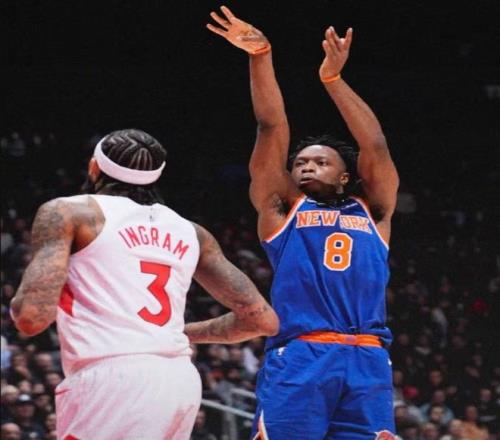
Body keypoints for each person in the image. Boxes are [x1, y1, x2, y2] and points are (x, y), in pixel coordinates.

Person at [10, 128, 279, 440]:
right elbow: (262, 320)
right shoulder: (191, 232)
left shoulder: (69, 212)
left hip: (111, 378)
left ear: (94, 167)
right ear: (155, 177)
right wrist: (181, 333)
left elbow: (31, 317)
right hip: (179, 381)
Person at [208, 6, 399, 439]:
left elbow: (376, 145)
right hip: (302, 353)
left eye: (320, 161)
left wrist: (333, 79)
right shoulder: (283, 208)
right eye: (300, 162)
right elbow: (270, 126)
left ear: (346, 175)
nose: (306, 166)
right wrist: (260, 56)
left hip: (369, 358)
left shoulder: (373, 210)